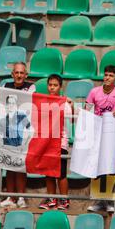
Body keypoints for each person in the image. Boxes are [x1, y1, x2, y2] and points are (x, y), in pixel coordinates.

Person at [86, 65, 115, 213]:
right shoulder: (94, 92)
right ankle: (100, 201)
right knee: (98, 167)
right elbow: (88, 110)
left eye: (111, 75)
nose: (107, 78)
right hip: (97, 132)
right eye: (105, 75)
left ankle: (110, 200)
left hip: (112, 133)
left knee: (110, 165)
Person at [0, 62, 35, 209]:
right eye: (16, 72)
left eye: (22, 73)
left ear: (26, 75)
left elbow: (27, 101)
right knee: (9, 164)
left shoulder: (31, 86)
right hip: (8, 129)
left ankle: (21, 197)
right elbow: (2, 102)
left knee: (20, 165)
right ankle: (10, 197)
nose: (19, 75)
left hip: (23, 129)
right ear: (12, 74)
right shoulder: (5, 85)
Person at [38, 74, 73, 210]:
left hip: (60, 143)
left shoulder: (65, 104)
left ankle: (64, 200)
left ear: (60, 87)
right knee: (48, 172)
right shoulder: (43, 102)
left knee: (61, 173)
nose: (52, 87)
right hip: (46, 142)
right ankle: (51, 199)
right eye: (50, 85)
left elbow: (68, 121)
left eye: (55, 85)